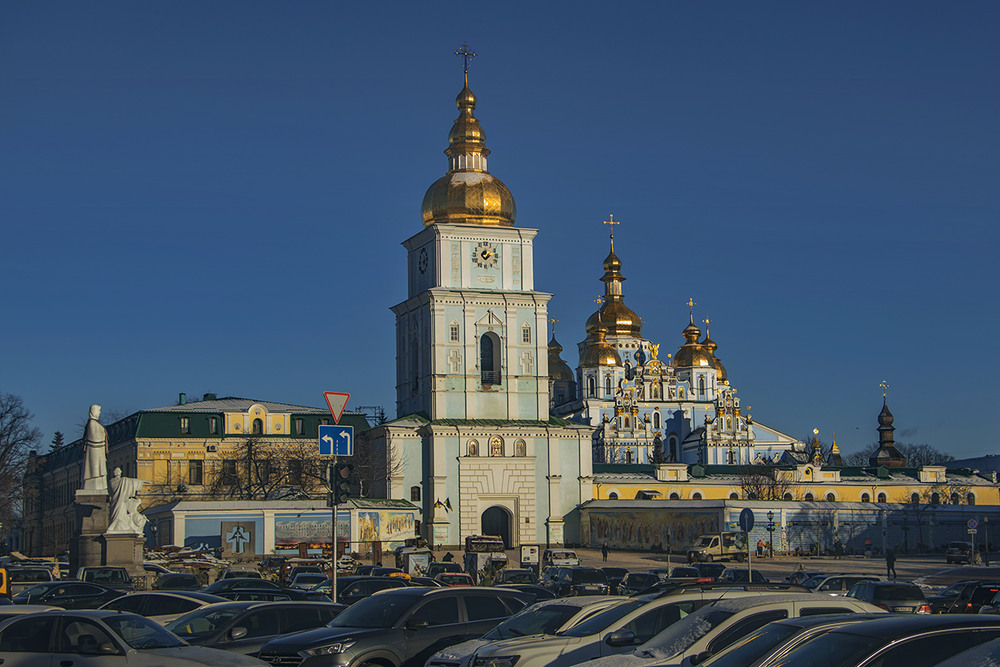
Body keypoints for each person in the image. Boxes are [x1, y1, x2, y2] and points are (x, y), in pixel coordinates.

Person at [82, 404, 108, 491]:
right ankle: (94, 482)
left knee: (98, 470)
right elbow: (94, 438)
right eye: (98, 410)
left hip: (99, 450)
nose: (99, 413)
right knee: (95, 469)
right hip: (95, 451)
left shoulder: (94, 423)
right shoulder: (92, 424)